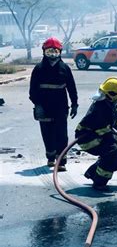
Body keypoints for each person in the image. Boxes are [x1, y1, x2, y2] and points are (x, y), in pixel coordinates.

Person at [75, 77, 117, 191]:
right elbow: (105, 131)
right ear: (111, 95)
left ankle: (92, 172)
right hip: (88, 139)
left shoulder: (107, 103)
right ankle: (99, 182)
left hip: (99, 136)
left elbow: (116, 118)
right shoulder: (100, 108)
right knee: (113, 154)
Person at [29, 37, 78, 171]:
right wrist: (37, 105)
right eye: (49, 51)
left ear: (60, 52)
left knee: (61, 133)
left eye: (55, 51)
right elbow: (33, 90)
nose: (52, 54)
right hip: (44, 107)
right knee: (47, 132)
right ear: (44, 52)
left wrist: (74, 104)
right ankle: (51, 157)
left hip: (60, 107)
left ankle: (61, 161)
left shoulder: (65, 68)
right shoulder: (38, 69)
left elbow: (71, 87)